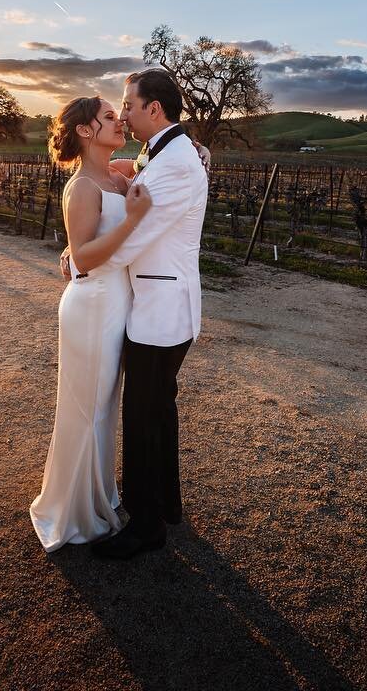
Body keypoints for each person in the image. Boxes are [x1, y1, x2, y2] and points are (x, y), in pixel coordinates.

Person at [87, 68, 209, 560]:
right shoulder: (170, 153)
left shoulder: (176, 163)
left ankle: (146, 525)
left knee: (143, 415)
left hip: (162, 309)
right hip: (162, 303)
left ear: (154, 109)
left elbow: (135, 240)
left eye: (130, 105)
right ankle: (167, 505)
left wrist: (81, 259)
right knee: (158, 409)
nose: (127, 113)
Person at [29, 96, 152, 552]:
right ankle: (74, 511)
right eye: (107, 117)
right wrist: (132, 221)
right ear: (84, 130)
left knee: (103, 406)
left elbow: (152, 158)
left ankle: (99, 494)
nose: (118, 120)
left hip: (116, 302)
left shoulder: (118, 174)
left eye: (118, 115)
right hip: (92, 305)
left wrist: (199, 152)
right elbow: (82, 257)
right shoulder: (81, 187)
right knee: (86, 409)